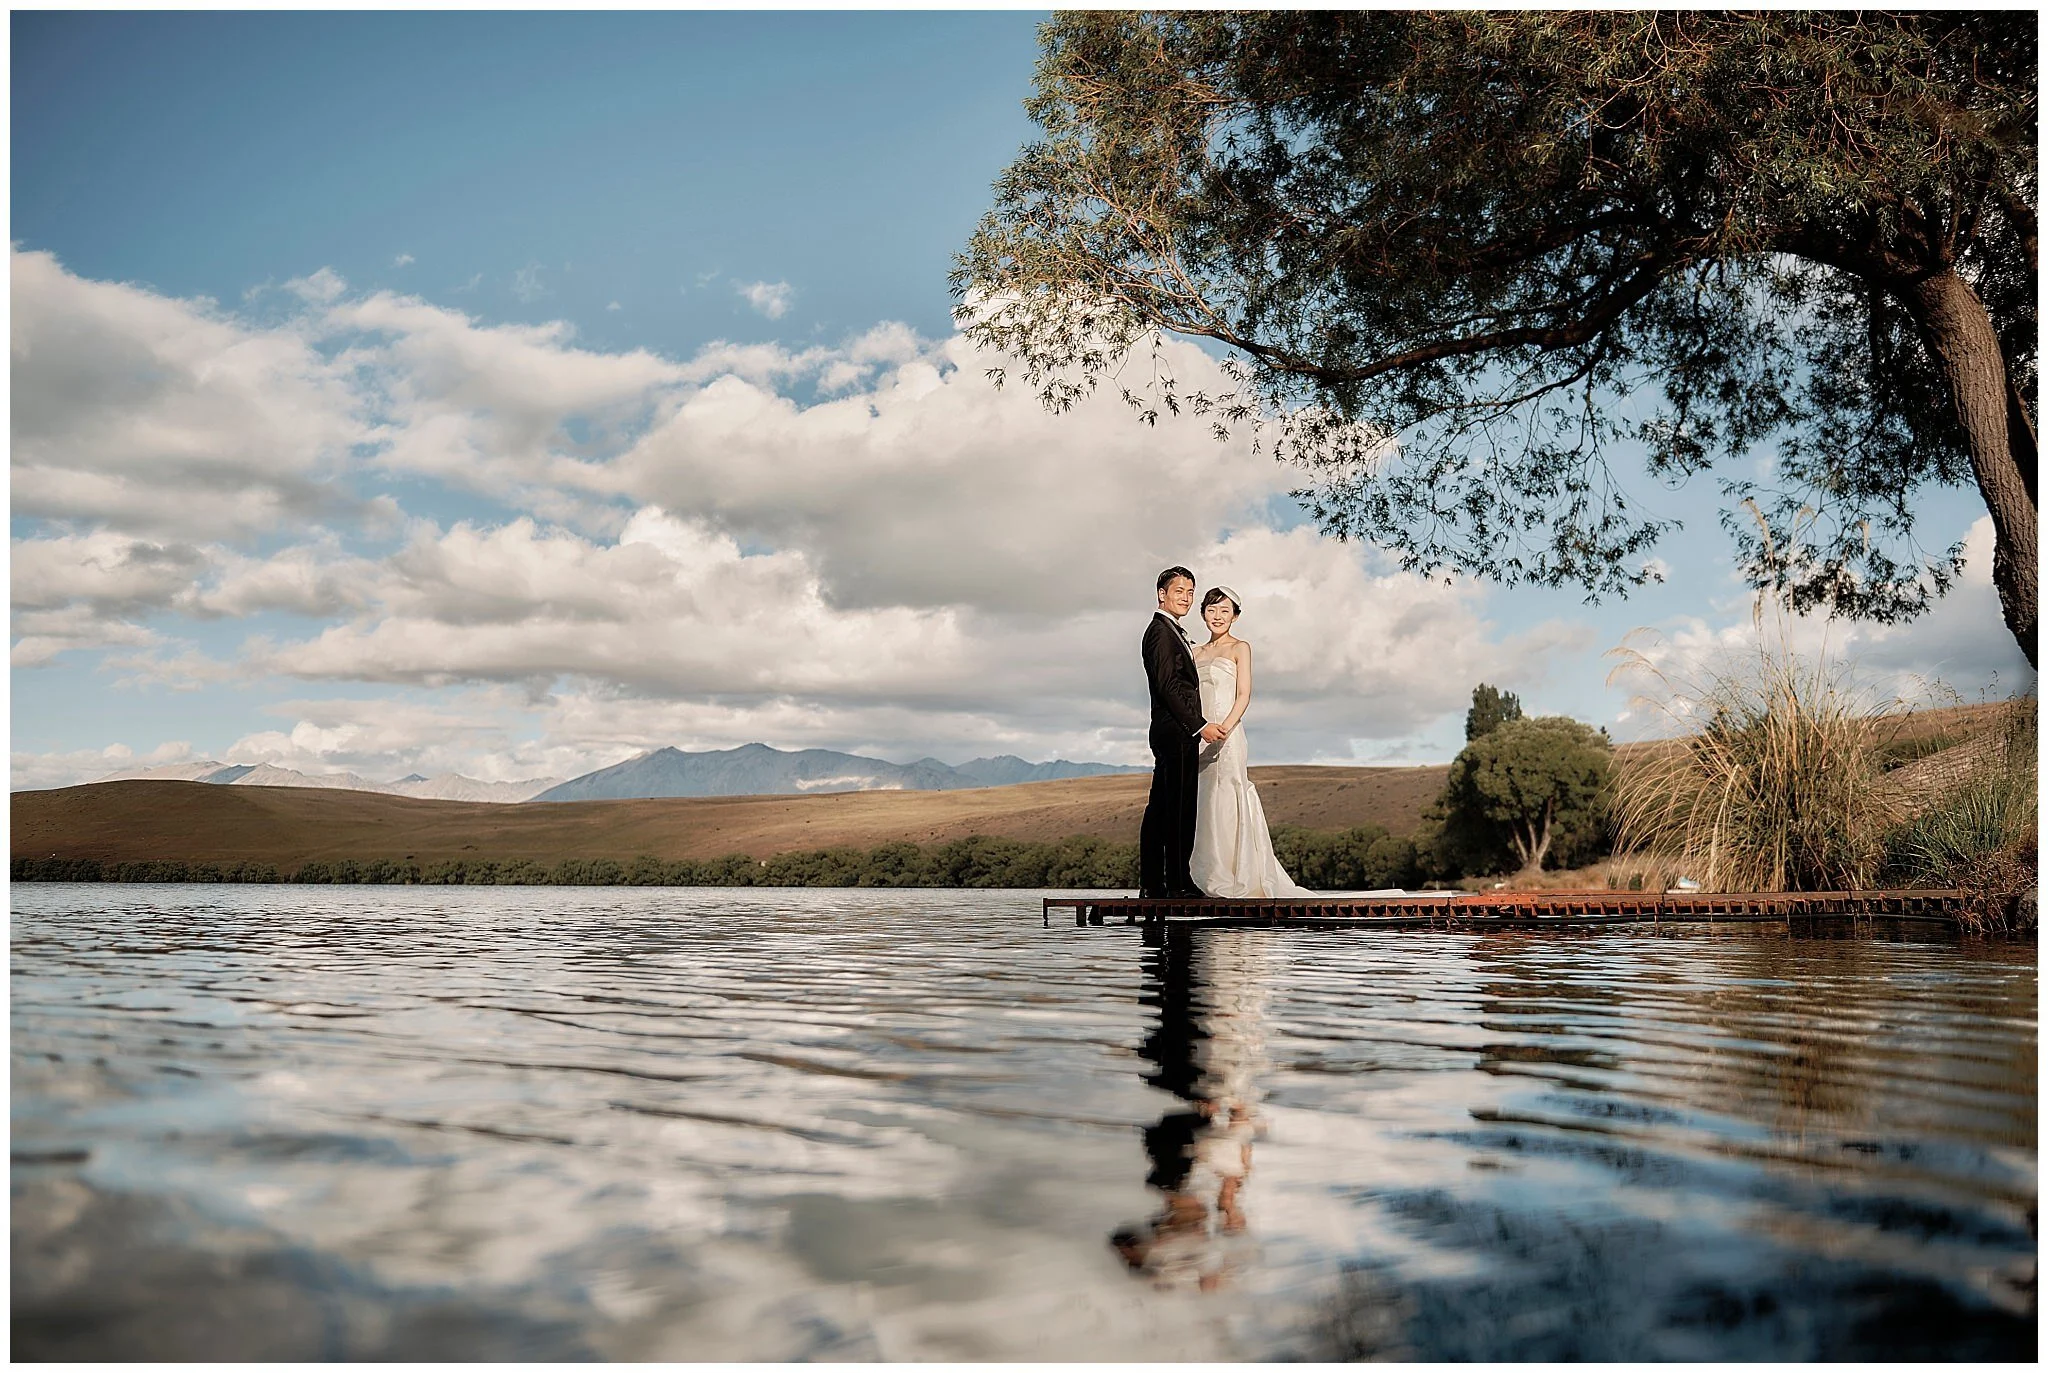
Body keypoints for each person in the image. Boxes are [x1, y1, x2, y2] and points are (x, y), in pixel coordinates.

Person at [1188, 586, 1314, 898]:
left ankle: (1236, 874)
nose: (1218, 617)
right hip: (1200, 735)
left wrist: (1225, 728)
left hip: (1228, 734)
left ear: (1235, 616)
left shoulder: (1240, 648)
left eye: (1225, 611)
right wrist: (1201, 729)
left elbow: (1244, 694)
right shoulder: (1195, 652)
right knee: (1202, 800)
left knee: (1230, 793)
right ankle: (1203, 874)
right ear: (1203, 613)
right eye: (1212, 610)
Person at [1140, 567, 1228, 898]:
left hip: (1174, 730)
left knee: (1163, 808)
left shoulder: (1173, 631)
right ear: (1162, 593)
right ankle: (1175, 882)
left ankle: (1154, 883)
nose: (1186, 598)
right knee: (1177, 810)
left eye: (1190, 593)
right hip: (1175, 731)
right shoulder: (1160, 632)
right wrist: (1199, 725)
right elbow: (1167, 686)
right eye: (1179, 591)